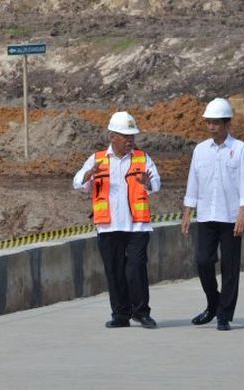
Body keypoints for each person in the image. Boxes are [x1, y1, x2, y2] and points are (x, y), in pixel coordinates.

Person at [73, 111, 161, 329]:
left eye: (132, 136)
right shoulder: (97, 159)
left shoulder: (142, 158)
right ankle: (120, 315)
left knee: (136, 269)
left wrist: (147, 183)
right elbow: (77, 182)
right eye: (125, 136)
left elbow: (156, 184)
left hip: (137, 226)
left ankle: (141, 313)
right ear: (112, 136)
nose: (130, 140)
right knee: (114, 271)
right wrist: (88, 176)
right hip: (108, 226)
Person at [181, 98, 244, 331]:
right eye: (208, 122)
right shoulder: (200, 150)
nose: (211, 127)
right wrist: (187, 212)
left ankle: (224, 314)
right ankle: (214, 303)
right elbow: (193, 182)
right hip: (206, 216)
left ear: (226, 123)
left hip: (230, 217)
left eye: (216, 123)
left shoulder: (239, 149)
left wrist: (243, 212)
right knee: (203, 262)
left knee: (230, 268)